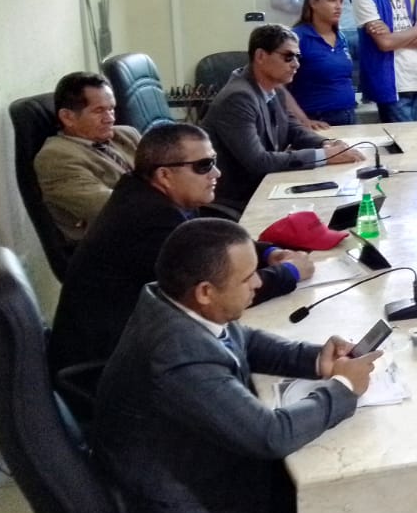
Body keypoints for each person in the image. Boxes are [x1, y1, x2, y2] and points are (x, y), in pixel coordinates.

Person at [93, 219, 376, 513]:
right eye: (246, 279)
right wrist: (343, 388)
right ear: (206, 291)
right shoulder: (176, 354)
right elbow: (271, 435)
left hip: (200, 468)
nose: (258, 283)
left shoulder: (174, 302)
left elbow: (244, 341)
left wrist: (316, 360)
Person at [50, 122, 313, 375]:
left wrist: (268, 253)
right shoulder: (148, 220)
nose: (216, 173)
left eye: (213, 161)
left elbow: (208, 243)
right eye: (203, 165)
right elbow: (215, 296)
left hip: (136, 340)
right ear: (165, 175)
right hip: (113, 364)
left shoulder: (152, 195)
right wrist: (289, 272)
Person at [202, 25, 363, 215]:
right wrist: (325, 156)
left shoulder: (274, 88)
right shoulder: (238, 98)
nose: (296, 64)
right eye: (288, 56)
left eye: (297, 57)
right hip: (238, 202)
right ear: (261, 56)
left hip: (265, 188)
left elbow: (292, 128)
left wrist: (326, 143)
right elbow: (259, 161)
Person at [34, 72, 140, 243]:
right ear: (67, 117)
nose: (110, 118)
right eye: (99, 111)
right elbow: (113, 208)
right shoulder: (56, 158)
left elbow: (169, 170)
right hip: (115, 244)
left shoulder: (127, 135)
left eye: (111, 108)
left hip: (152, 226)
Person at [288, 0, 357, 126]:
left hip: (348, 116)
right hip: (317, 119)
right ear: (313, 3)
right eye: (332, 0)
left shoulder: (341, 37)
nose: (338, 6)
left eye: (341, 1)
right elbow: (278, 86)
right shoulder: (297, 38)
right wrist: (303, 120)